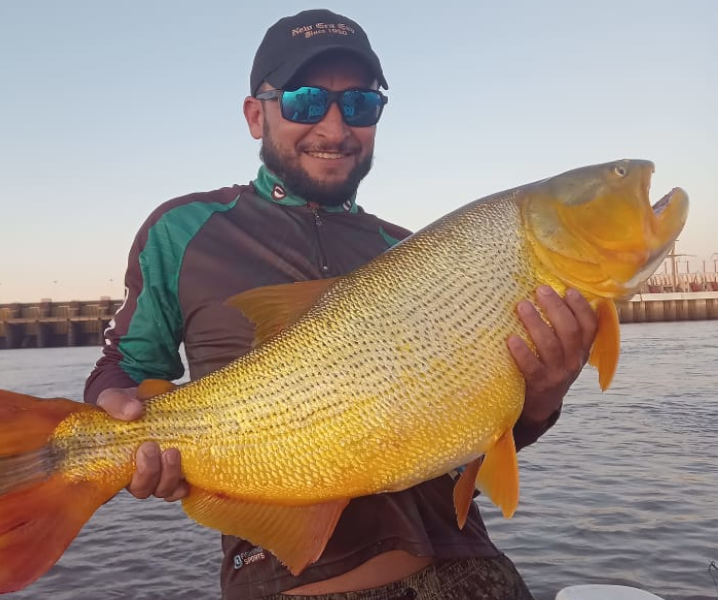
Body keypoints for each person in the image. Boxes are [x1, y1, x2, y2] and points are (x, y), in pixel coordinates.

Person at [84, 9, 597, 600]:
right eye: (304, 101)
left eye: (359, 105)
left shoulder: (410, 255)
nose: (334, 127)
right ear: (256, 115)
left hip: (476, 572)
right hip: (295, 581)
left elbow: (467, 441)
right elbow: (121, 367)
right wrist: (115, 418)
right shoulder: (185, 230)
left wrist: (541, 401)